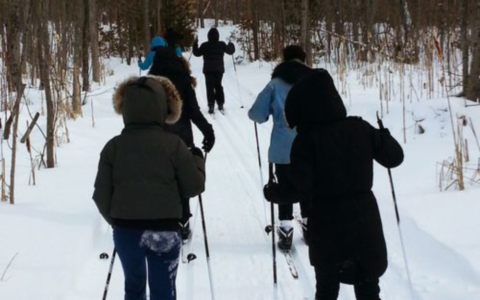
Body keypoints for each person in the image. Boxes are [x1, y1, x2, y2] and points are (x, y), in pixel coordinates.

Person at [265, 69, 404, 300]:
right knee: (369, 289)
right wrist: (383, 134)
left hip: (328, 225)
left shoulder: (306, 140)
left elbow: (298, 189)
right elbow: (394, 157)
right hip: (365, 221)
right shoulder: (361, 128)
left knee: (327, 290)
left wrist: (272, 192)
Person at [92, 75, 206, 300]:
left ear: (125, 108)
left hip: (126, 232)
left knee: (133, 288)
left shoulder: (113, 147)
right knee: (164, 291)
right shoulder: (174, 145)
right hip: (164, 230)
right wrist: (197, 161)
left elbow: (100, 196)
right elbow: (193, 186)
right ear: (164, 107)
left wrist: (118, 221)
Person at [248, 45, 313, 250]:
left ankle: (285, 229)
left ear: (283, 60)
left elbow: (256, 115)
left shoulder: (275, 84)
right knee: (308, 185)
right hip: (311, 145)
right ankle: (310, 225)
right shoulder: (314, 81)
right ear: (303, 59)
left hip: (283, 147)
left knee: (285, 185)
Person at [148, 42, 215, 241]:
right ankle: (183, 221)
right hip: (182, 137)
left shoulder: (150, 82)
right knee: (181, 178)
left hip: (156, 137)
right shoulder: (184, 80)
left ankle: (163, 218)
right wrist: (208, 131)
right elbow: (194, 112)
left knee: (159, 177)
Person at [193, 27, 235, 114]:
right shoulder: (222, 44)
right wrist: (231, 44)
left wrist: (195, 43)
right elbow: (231, 51)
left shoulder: (205, 45)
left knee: (209, 87)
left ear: (208, 36)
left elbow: (196, 53)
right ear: (218, 36)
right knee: (218, 85)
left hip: (208, 70)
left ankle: (211, 105)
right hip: (219, 69)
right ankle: (220, 103)